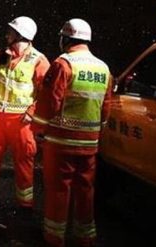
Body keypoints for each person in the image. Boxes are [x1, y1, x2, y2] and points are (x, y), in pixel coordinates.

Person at [31, 18, 112, 247]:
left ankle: (54, 236)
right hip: (90, 144)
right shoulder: (102, 67)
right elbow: (105, 107)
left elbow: (50, 102)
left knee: (58, 188)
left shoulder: (63, 64)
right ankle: (85, 236)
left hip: (61, 142)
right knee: (85, 189)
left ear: (66, 38)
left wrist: (37, 129)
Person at [0, 16, 50, 218]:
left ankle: (25, 207)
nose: (7, 34)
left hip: (22, 122)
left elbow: (47, 94)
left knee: (24, 163)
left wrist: (32, 113)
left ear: (20, 36)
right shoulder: (4, 55)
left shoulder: (39, 61)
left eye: (11, 32)